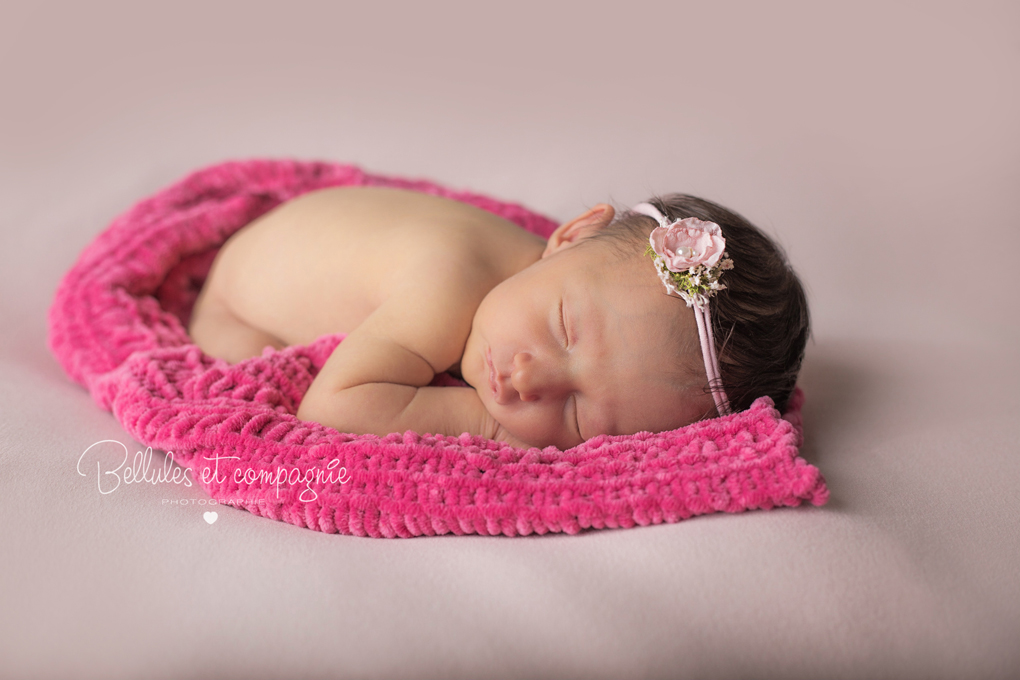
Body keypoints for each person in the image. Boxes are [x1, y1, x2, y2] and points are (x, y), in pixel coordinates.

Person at [188, 186, 809, 449]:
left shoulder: (548, 277)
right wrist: (488, 424)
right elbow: (333, 409)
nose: (526, 380)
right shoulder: (449, 286)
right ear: (570, 235)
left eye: (579, 414)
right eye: (563, 328)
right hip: (234, 305)